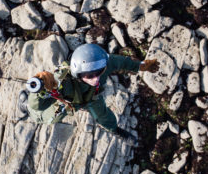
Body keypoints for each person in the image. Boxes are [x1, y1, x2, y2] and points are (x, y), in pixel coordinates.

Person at [18, 43, 159, 138]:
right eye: (90, 76)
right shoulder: (61, 81)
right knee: (48, 118)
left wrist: (140, 66)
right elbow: (38, 105)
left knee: (104, 115)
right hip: (68, 102)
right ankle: (25, 107)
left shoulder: (101, 63)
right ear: (77, 74)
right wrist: (39, 91)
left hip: (91, 97)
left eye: (99, 73)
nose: (96, 79)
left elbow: (121, 62)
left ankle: (113, 129)